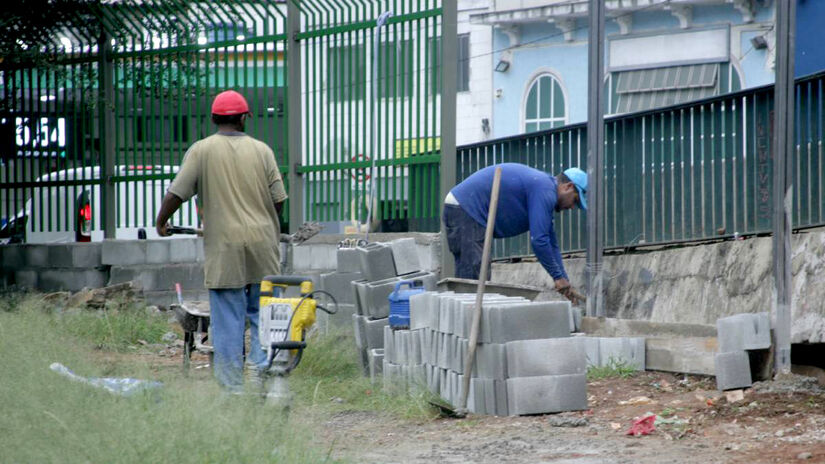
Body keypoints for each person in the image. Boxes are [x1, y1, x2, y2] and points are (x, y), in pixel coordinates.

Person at [155, 90, 287, 392]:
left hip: (224, 248)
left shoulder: (201, 150)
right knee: (262, 313)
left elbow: (177, 193)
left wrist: (162, 221)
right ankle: (261, 370)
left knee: (228, 319)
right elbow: (278, 201)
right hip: (263, 246)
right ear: (243, 118)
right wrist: (262, 216)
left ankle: (232, 390)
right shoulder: (262, 150)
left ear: (214, 118)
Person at [442, 163, 587, 303]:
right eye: (575, 200)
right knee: (474, 281)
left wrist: (563, 279)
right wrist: (557, 277)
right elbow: (539, 241)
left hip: (464, 209)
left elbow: (551, 244)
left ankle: (468, 322)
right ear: (568, 186)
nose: (572, 207)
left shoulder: (544, 188)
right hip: (466, 208)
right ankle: (468, 325)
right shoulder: (545, 190)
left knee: (476, 280)